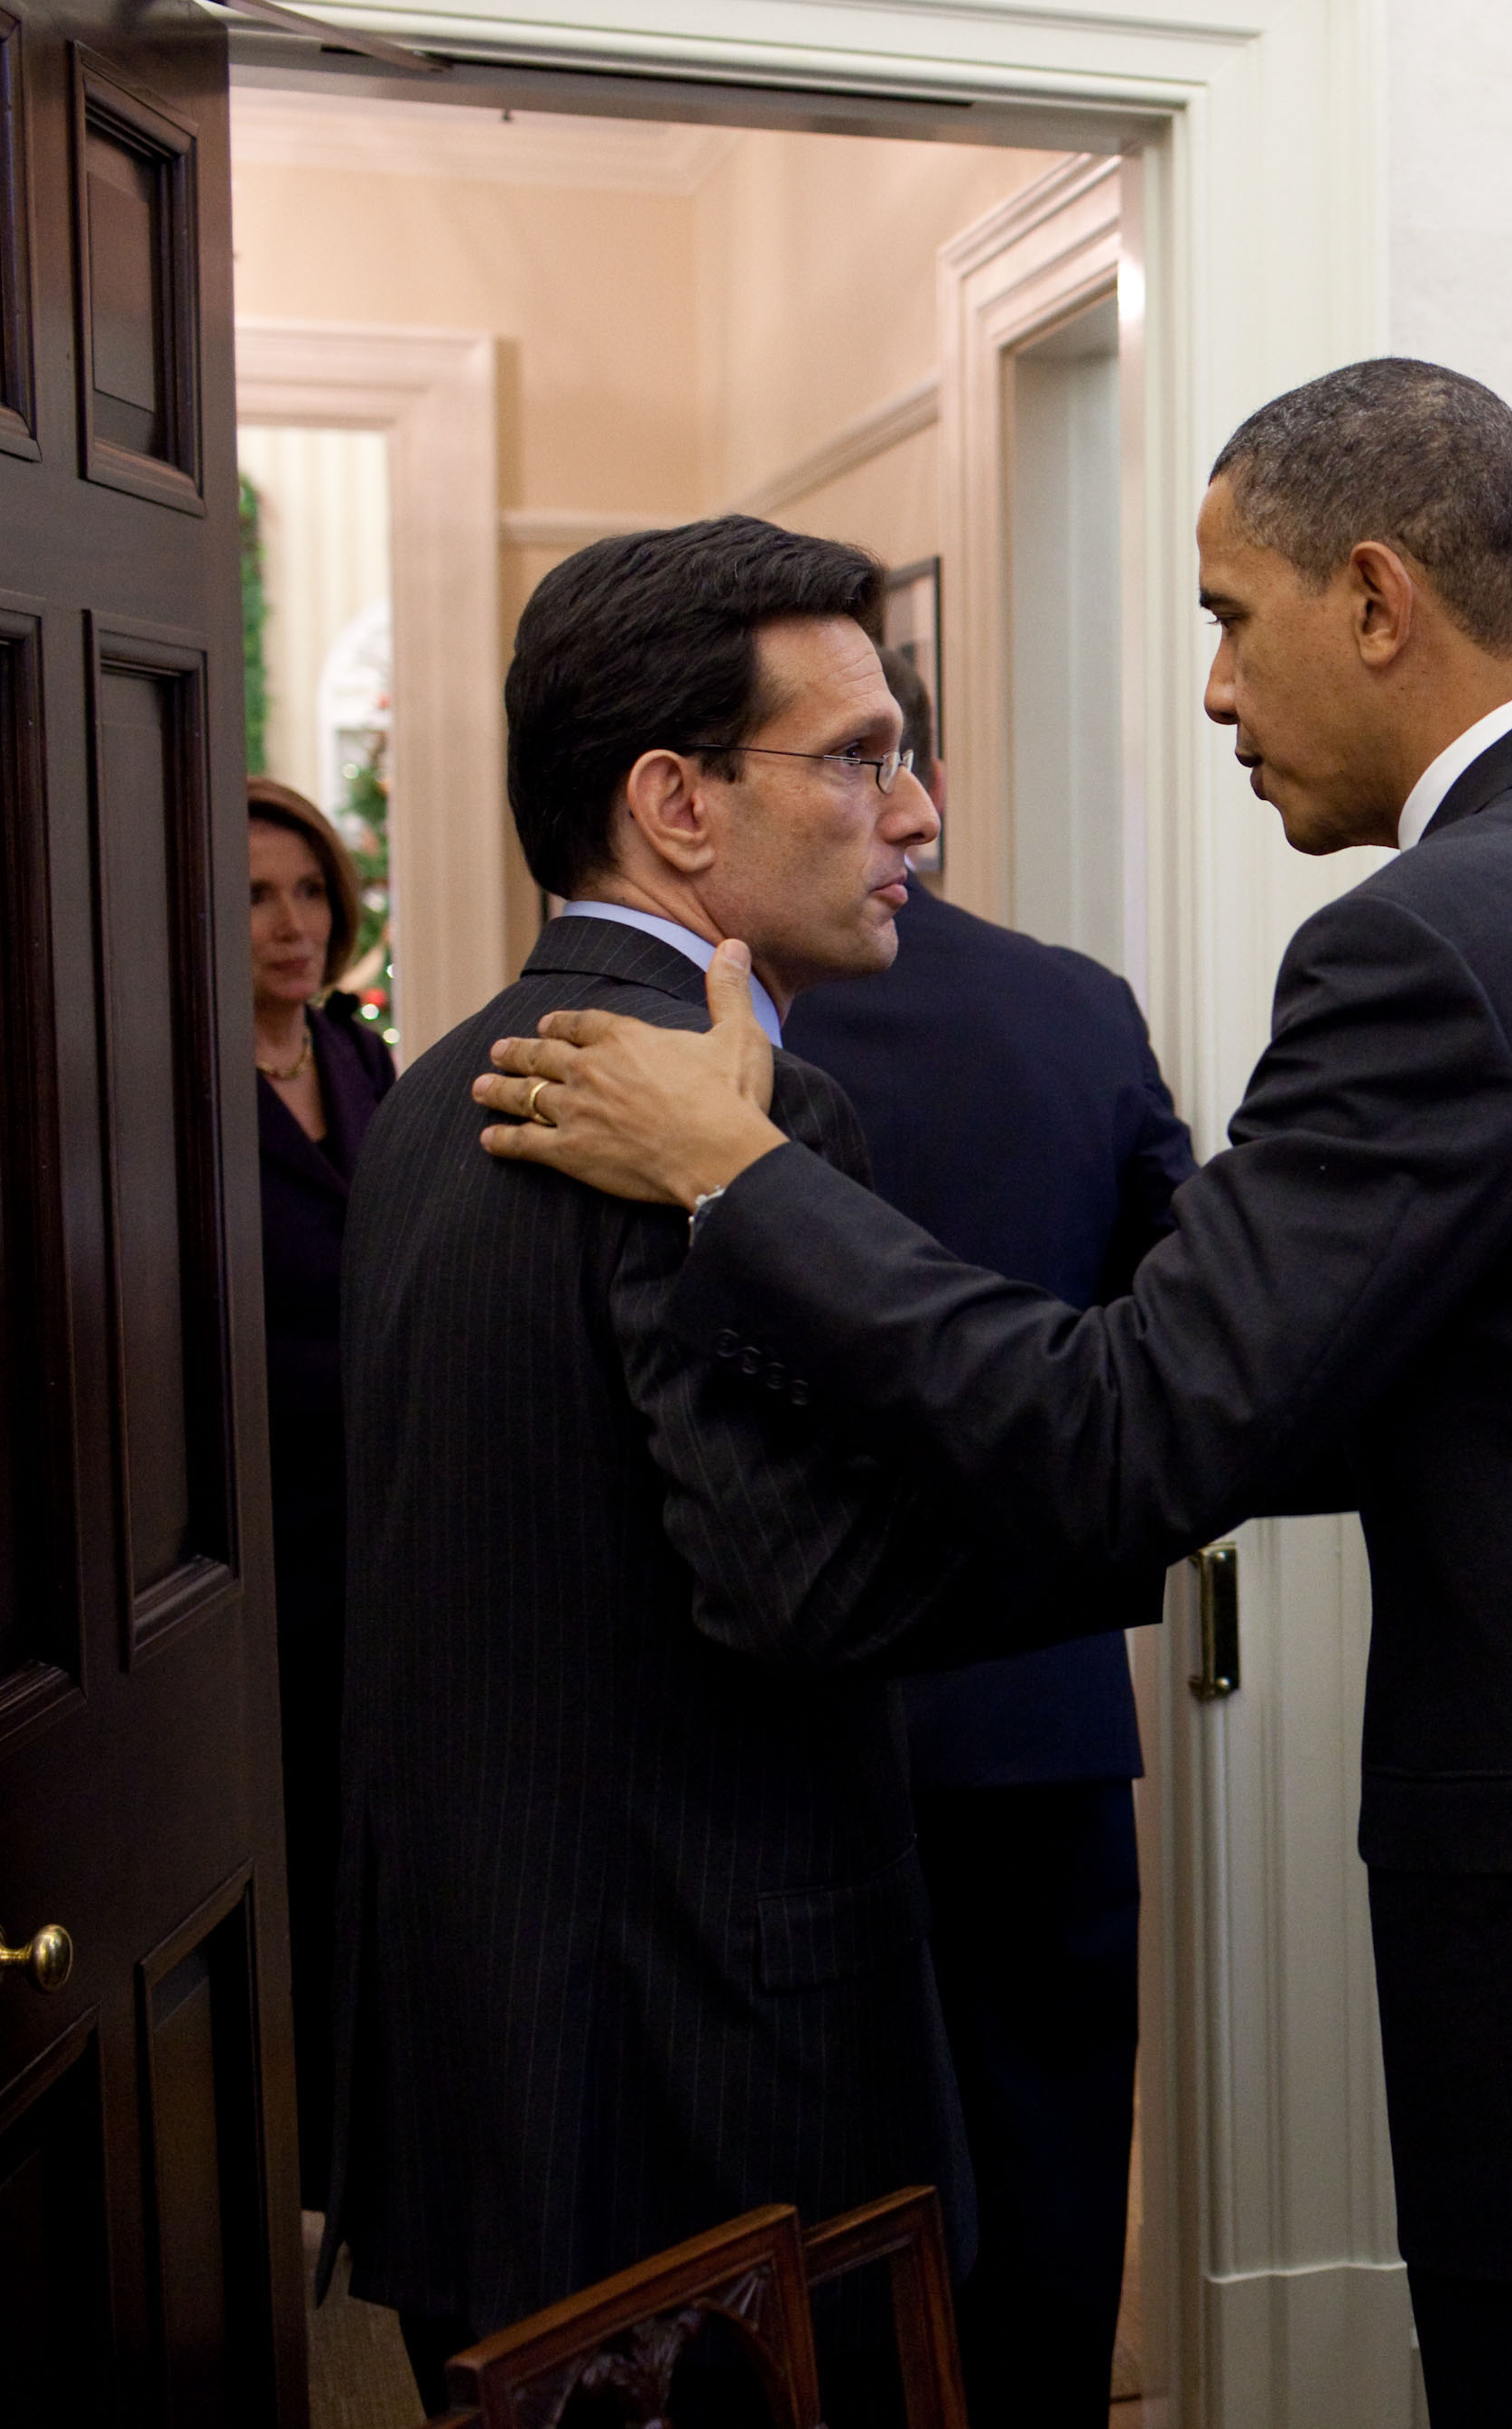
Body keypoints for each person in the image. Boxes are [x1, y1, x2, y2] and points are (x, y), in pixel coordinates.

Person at [464, 361, 1512, 2429]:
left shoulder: (1433, 945)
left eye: (1231, 614)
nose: (1211, 687)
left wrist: (735, 1173)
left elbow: (1128, 1428)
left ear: (1376, 598)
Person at [335, 515, 1133, 2402]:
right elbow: (800, 1587)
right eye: (856, 755)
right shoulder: (730, 1120)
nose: (915, 812)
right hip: (717, 2102)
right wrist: (1101, 1489)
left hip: (494, 2063)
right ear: (676, 805)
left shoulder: (437, 1092)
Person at [784, 643, 1198, 2428]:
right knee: (1038, 2208)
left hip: (780, 1719)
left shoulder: (665, 1047)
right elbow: (1180, 1362)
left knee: (810, 2220)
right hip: (1036, 1713)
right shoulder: (1076, 1010)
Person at [248, 777, 396, 2206]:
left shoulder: (359, 1061)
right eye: (251, 897)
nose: (290, 926)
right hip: (264, 1537)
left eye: (305, 893)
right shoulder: (174, 1080)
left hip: (387, 1522)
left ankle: (372, 2135)